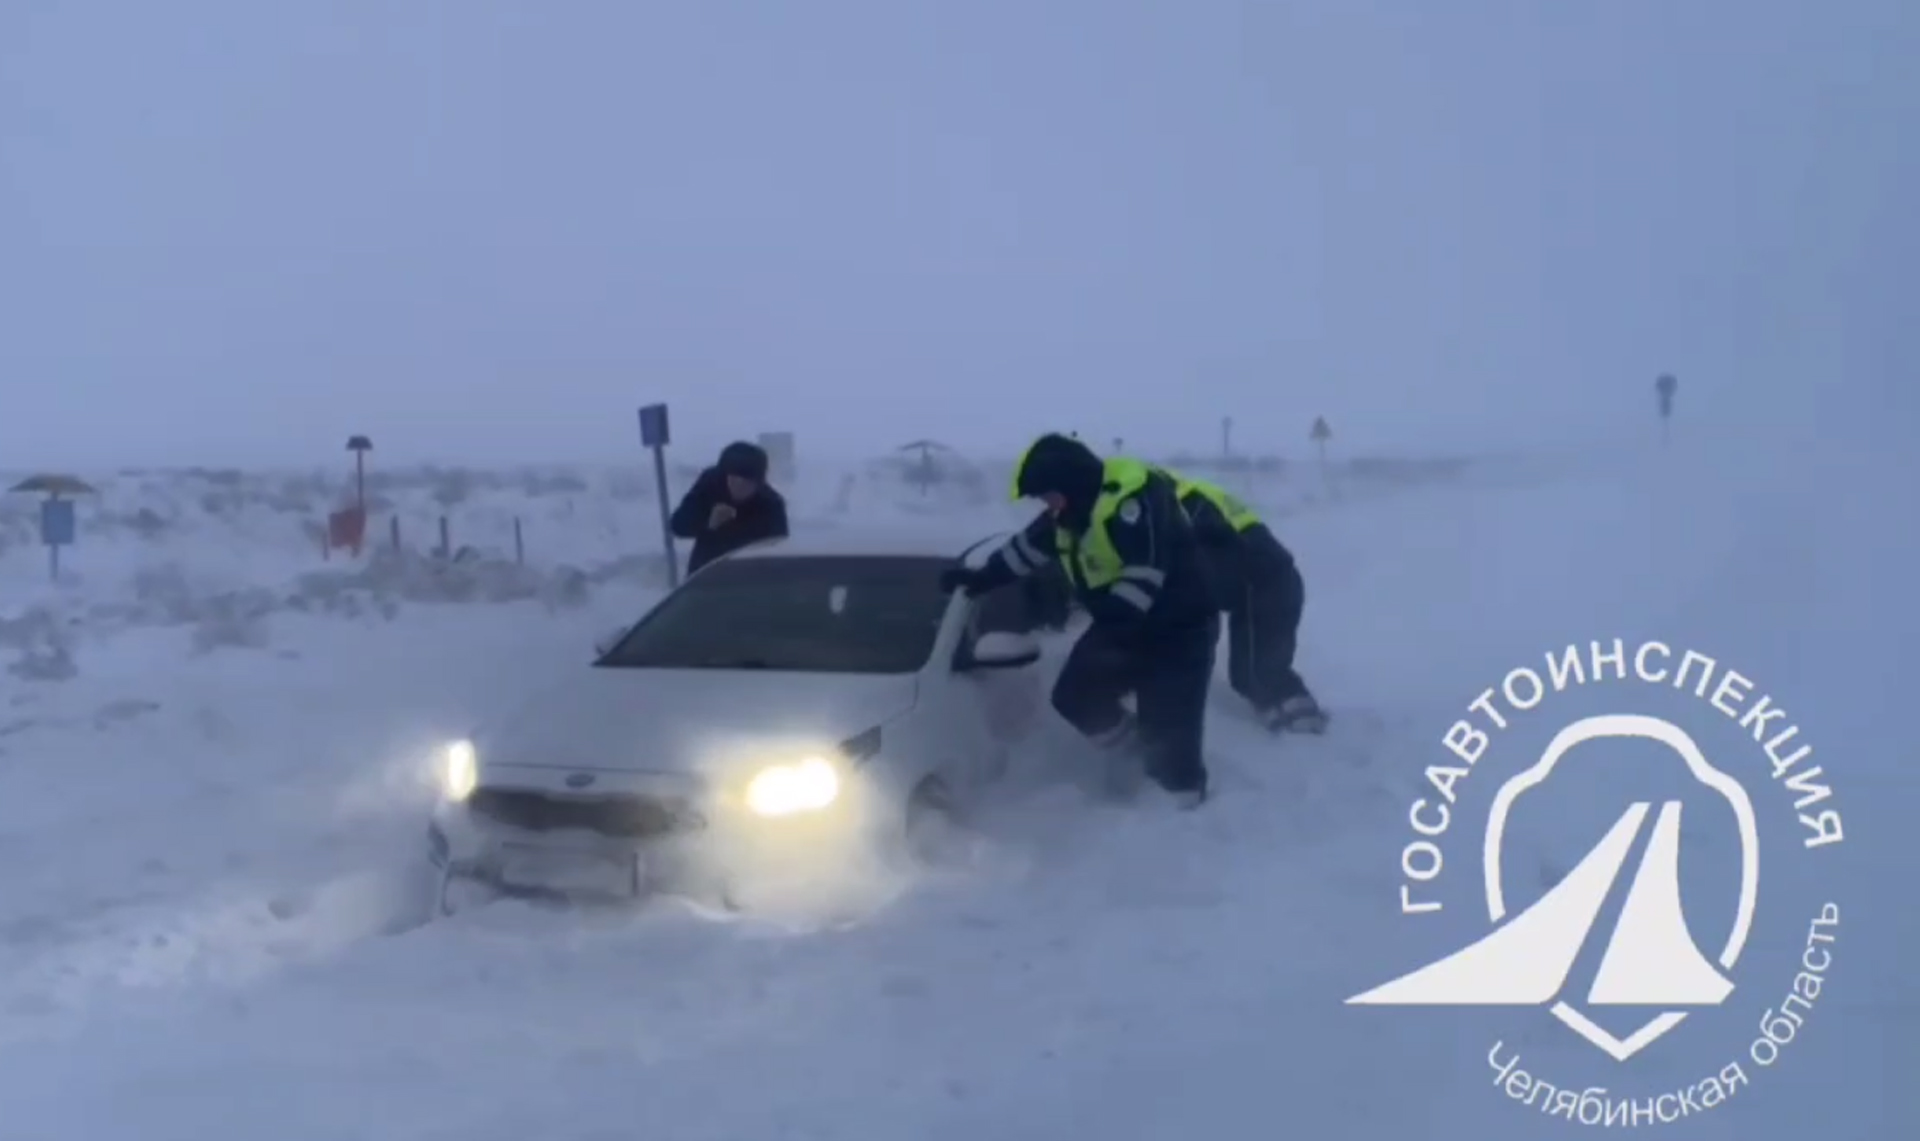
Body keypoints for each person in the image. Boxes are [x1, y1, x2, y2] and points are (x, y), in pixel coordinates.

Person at [939, 433, 1220, 807]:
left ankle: (1182, 810)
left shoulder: (1135, 500)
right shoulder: (1066, 515)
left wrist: (1114, 625)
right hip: (1122, 624)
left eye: (1047, 495)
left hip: (1179, 632)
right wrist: (981, 578)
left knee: (1171, 735)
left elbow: (1146, 570)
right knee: (1075, 696)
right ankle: (1134, 753)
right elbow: (1023, 551)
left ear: (1071, 482)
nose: (1045, 504)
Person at [1158, 466, 1326, 734]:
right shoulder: (1190, 497)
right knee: (1252, 674)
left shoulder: (1184, 507)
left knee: (1257, 674)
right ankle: (1292, 722)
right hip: (1264, 585)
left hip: (1265, 586)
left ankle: (1306, 734)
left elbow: (1197, 588)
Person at [669, 441, 790, 576]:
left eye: (746, 483)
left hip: (751, 578)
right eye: (733, 480)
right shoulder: (710, 486)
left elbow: (779, 550)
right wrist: (709, 524)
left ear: (758, 483)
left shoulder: (771, 504)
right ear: (725, 476)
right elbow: (677, 526)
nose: (739, 486)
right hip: (705, 576)